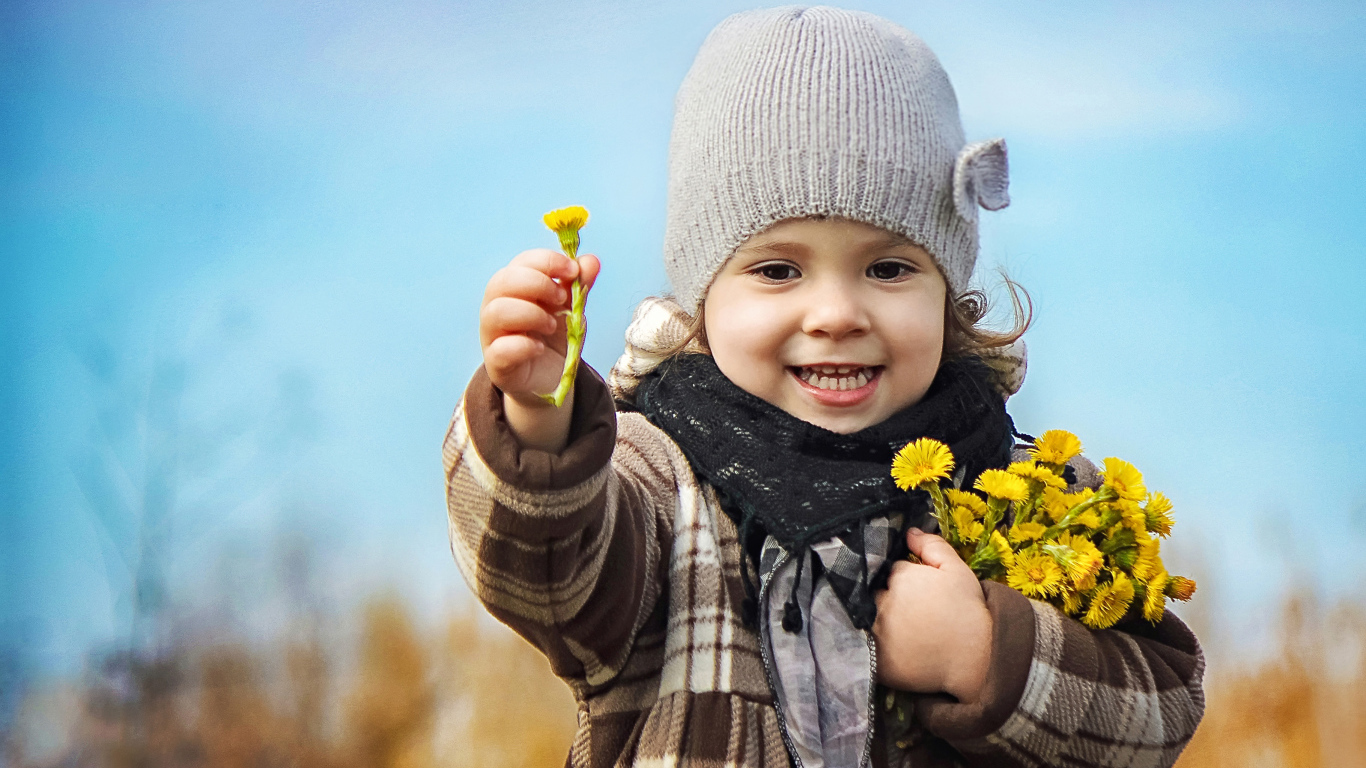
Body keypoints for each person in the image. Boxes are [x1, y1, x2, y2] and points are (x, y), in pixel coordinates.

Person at [444, 6, 1205, 767]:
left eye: (889, 269)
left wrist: (985, 655)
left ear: (949, 291)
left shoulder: (1029, 489)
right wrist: (540, 427)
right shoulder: (657, 479)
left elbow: (1163, 711)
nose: (837, 314)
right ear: (703, 301)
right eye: (778, 271)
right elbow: (543, 575)